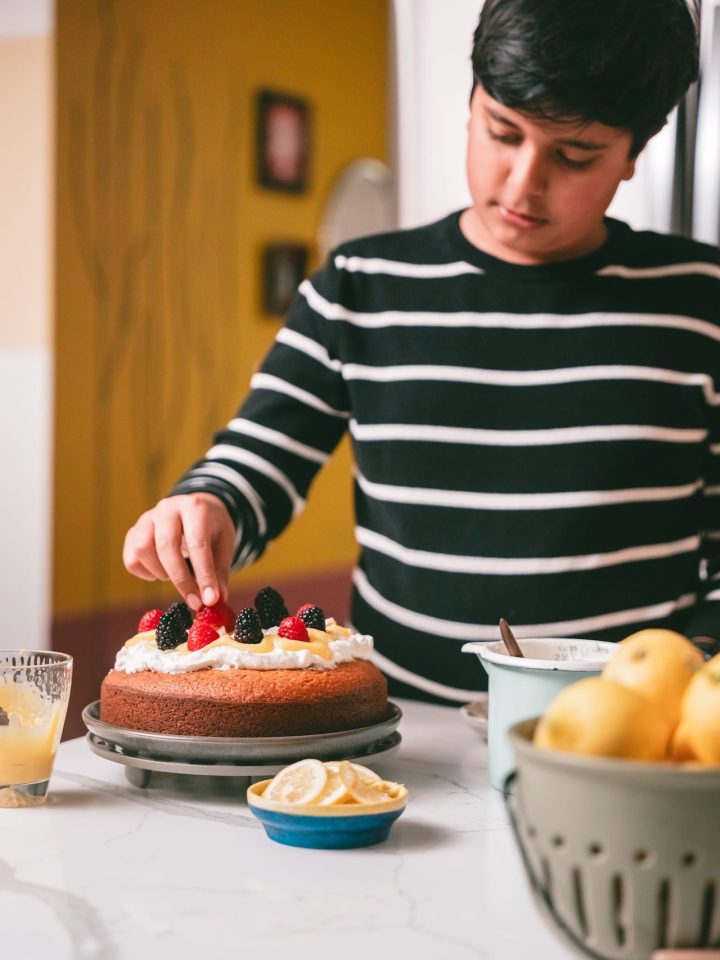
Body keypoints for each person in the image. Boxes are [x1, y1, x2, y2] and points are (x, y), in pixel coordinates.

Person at [123, 0, 719, 705]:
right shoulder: (358, 285)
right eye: (502, 132)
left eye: (574, 156)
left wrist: (693, 679)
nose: (522, 183)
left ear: (635, 152)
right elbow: (258, 462)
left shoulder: (701, 301)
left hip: (634, 732)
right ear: (471, 104)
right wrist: (206, 505)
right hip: (399, 727)